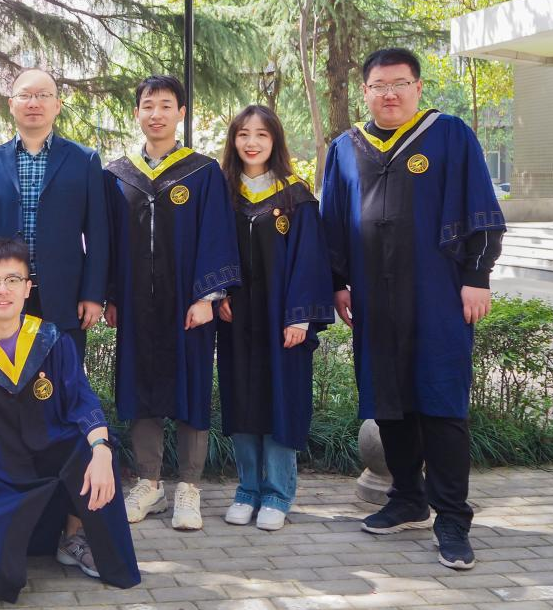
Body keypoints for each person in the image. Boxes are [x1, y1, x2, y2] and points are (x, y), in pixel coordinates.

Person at [321, 47, 505, 570]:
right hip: (373, 298)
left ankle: (452, 518)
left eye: (399, 83)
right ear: (365, 91)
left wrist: (476, 278)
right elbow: (332, 222)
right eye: (379, 85)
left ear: (418, 88)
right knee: (388, 399)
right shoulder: (345, 148)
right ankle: (407, 498)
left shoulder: (449, 135)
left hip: (437, 292)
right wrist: (338, 284)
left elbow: (481, 209)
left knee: (442, 402)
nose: (390, 94)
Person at [0, 237, 140, 604]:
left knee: (91, 446)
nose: (3, 290)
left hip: (43, 462)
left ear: (28, 288)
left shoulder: (50, 340)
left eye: (13, 279)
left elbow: (81, 400)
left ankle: (75, 535)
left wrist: (102, 451)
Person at [104, 75, 241, 531]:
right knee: (140, 386)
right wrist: (110, 297)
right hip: (135, 305)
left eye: (166, 105)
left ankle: (189, 486)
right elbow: (106, 244)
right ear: (137, 113)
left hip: (187, 304)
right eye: (148, 105)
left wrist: (208, 296)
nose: (156, 114)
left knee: (191, 386)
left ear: (181, 113)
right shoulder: (117, 176)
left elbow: (217, 235)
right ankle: (149, 483)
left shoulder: (202, 173)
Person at [216, 105, 333, 531]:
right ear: (233, 140)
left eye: (261, 135)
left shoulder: (295, 197)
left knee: (280, 399)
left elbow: (310, 260)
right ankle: (247, 489)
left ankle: (278, 493)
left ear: (275, 141)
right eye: (243, 134)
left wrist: (300, 318)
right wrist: (217, 292)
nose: (251, 143)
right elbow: (211, 250)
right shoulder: (223, 194)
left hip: (282, 317)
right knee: (242, 398)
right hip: (236, 317)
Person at [0, 68, 109, 359]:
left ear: (57, 105)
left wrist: (93, 295)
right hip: (3, 294)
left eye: (43, 95)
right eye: (25, 95)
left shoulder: (84, 161)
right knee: (3, 376)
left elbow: (98, 234)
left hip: (65, 297)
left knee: (61, 376)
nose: (34, 103)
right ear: (11, 104)